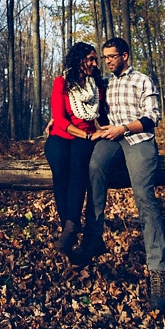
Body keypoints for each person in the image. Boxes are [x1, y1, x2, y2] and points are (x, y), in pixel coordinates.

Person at [80, 37, 165, 309]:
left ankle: (158, 271)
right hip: (111, 141)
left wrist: (124, 129)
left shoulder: (142, 80)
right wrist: (56, 119)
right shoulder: (104, 85)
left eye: (112, 56)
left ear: (125, 56)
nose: (107, 61)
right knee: (94, 168)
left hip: (138, 139)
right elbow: (83, 104)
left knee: (143, 196)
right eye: (104, 57)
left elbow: (152, 117)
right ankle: (94, 238)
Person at [44, 41, 105, 257]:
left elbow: (104, 115)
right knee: (60, 170)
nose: (94, 63)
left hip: (83, 138)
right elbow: (59, 119)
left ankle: (68, 231)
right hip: (61, 135)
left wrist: (103, 133)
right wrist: (87, 134)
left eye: (95, 59)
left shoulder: (96, 84)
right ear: (79, 59)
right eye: (90, 59)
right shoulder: (61, 82)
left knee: (78, 168)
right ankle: (69, 228)